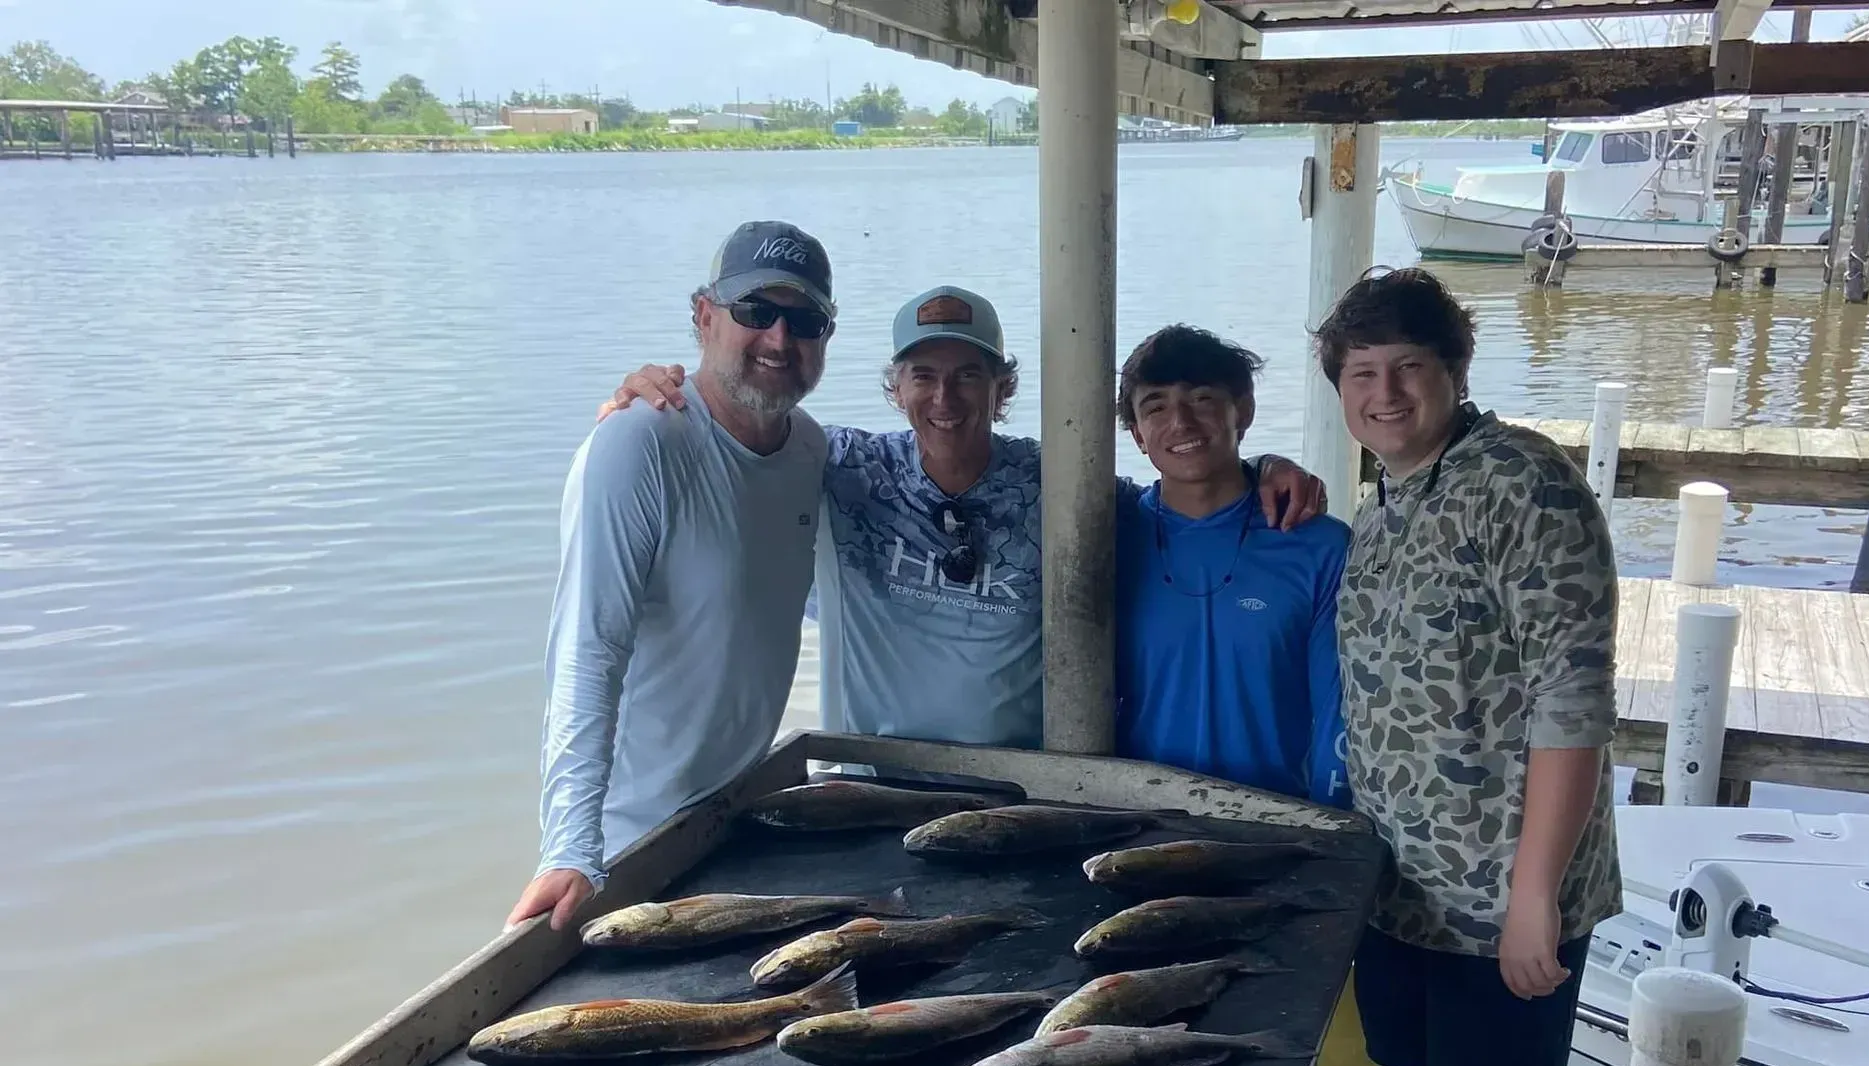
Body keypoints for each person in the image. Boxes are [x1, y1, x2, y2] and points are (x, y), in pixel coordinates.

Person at [1323, 268, 1621, 1066]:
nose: (1384, 395)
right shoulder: (1387, 500)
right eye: (1360, 375)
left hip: (1506, 897)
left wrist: (1534, 897)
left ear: (1457, 366)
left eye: (1408, 368)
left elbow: (1573, 697)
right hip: (1410, 893)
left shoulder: (1524, 484)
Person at [601, 288, 1324, 753]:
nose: (945, 396)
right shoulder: (838, 465)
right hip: (871, 782)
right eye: (923, 375)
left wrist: (1263, 471)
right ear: (896, 388)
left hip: (1017, 788)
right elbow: (745, 439)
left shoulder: (1063, 483)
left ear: (1002, 387)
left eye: (968, 374)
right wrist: (673, 396)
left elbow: (1184, 491)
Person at [505, 220, 834, 933]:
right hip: (626, 846)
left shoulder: (811, 448)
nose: (780, 339)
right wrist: (570, 846)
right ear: (703, 316)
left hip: (738, 819)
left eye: (804, 320)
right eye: (756, 312)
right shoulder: (638, 442)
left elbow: (788, 600)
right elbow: (586, 652)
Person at [1112, 325, 1349, 806]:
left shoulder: (1317, 545)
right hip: (1132, 816)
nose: (1180, 422)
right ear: (1137, 435)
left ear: (1243, 410)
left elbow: (1339, 712)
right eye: (1155, 407)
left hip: (1275, 819)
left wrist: (1334, 828)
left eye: (1201, 399)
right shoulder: (1107, 538)